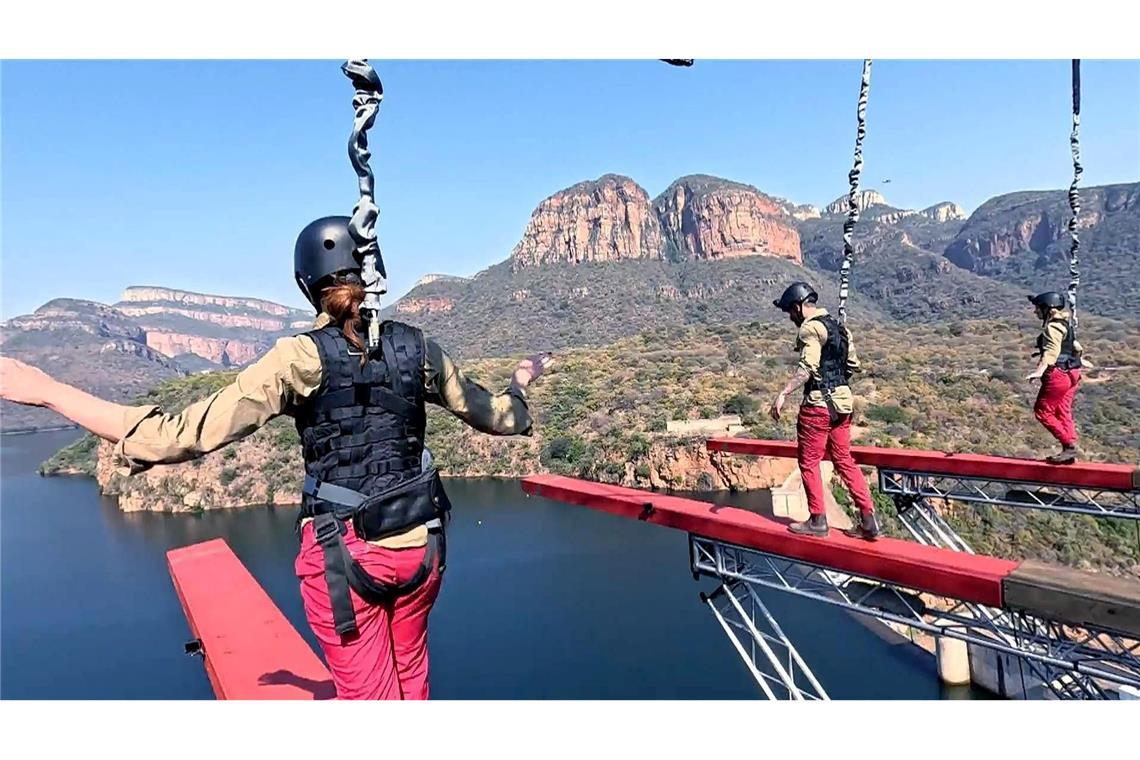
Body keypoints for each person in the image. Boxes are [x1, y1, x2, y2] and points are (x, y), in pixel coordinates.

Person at [0, 215, 554, 700]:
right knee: (411, 678)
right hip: (422, 548)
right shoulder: (418, 346)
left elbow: (182, 434)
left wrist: (51, 392)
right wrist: (521, 381)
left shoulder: (298, 359)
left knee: (369, 702)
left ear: (306, 283)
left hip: (348, 555)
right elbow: (500, 416)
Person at [768, 282, 880, 540]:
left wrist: (783, 394)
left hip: (817, 407)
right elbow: (852, 365)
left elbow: (807, 367)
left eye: (790, 311)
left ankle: (818, 520)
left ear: (798, 306)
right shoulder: (840, 328)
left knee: (809, 462)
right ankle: (868, 519)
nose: (790, 317)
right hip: (843, 405)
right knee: (844, 461)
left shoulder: (810, 329)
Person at [1026, 291, 1084, 463]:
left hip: (1058, 373)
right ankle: (1070, 446)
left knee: (1043, 411)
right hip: (1073, 372)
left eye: (1037, 308)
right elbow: (1076, 346)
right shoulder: (1065, 324)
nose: (1035, 311)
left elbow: (1052, 352)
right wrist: (1080, 360)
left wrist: (1039, 370)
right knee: (1062, 410)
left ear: (1047, 308)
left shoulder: (1052, 327)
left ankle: (1069, 447)